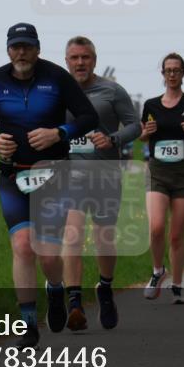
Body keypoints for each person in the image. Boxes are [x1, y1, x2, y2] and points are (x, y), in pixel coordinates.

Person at [0, 23, 98, 348]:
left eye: (27, 46)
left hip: (54, 174)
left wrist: (60, 133)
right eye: (16, 47)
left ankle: (55, 290)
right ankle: (28, 324)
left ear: (37, 48)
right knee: (23, 245)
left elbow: (88, 116)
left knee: (48, 255)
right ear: (8, 50)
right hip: (12, 174)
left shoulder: (56, 77)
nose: (21, 53)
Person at [61, 36, 140, 331]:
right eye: (74, 58)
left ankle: (105, 289)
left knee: (105, 238)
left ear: (94, 60)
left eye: (85, 57)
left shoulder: (112, 91)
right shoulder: (58, 91)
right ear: (66, 61)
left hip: (106, 174)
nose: (80, 62)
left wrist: (113, 139)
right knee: (73, 235)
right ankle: (75, 304)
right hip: (71, 177)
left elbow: (135, 125)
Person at [139, 53, 184, 304]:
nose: (172, 74)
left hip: (183, 174)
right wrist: (145, 133)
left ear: (183, 73)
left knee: (176, 235)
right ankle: (158, 271)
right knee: (157, 226)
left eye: (176, 70)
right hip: (158, 171)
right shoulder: (151, 105)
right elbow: (140, 136)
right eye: (168, 70)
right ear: (162, 74)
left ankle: (178, 285)